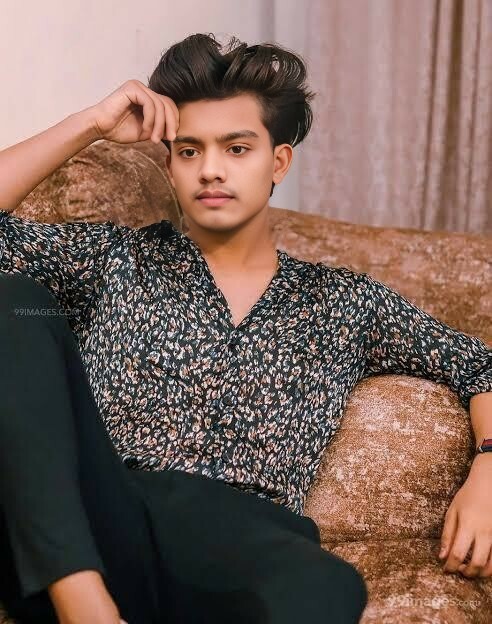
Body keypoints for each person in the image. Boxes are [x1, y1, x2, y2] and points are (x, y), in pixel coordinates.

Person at [0, 32, 490, 624]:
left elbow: (480, 365)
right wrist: (91, 125)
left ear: (278, 161)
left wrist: (488, 472)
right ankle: (84, 605)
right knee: (11, 301)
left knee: (329, 586)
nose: (210, 170)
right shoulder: (113, 259)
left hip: (242, 539)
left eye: (236, 148)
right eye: (189, 151)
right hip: (103, 525)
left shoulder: (343, 301)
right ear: (170, 166)